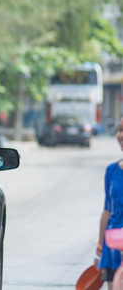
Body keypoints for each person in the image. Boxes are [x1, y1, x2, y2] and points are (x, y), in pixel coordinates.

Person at [96, 116, 123, 289]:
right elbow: (107, 211)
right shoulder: (111, 171)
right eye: (120, 129)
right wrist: (100, 248)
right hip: (113, 248)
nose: (120, 135)